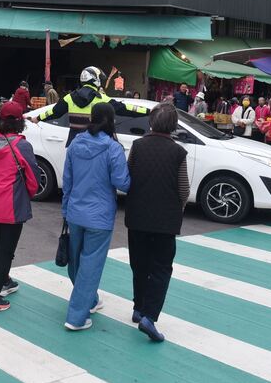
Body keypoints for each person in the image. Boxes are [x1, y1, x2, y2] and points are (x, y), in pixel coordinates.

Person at [61, 103, 130, 331]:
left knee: (76, 261)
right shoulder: (113, 148)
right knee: (90, 265)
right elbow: (122, 182)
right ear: (111, 120)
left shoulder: (75, 144)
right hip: (100, 215)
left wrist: (65, 209)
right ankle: (76, 317)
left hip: (75, 212)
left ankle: (89, 300)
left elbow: (67, 180)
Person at [125, 103, 189, 342]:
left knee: (139, 264)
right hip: (165, 220)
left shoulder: (138, 146)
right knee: (161, 268)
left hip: (137, 216)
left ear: (151, 122)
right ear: (173, 126)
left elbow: (128, 177)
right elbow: (183, 189)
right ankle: (149, 317)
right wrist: (178, 209)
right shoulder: (178, 152)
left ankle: (138, 307)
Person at [0, 101, 39, 313]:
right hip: (11, 205)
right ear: (20, 122)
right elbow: (34, 179)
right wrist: (26, 194)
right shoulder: (21, 146)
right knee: (6, 251)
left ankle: (4, 281)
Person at [33, 66, 149, 146]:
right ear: (95, 80)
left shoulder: (69, 98)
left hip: (74, 146)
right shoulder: (102, 99)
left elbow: (53, 112)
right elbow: (125, 109)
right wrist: (148, 111)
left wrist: (37, 118)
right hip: (95, 147)